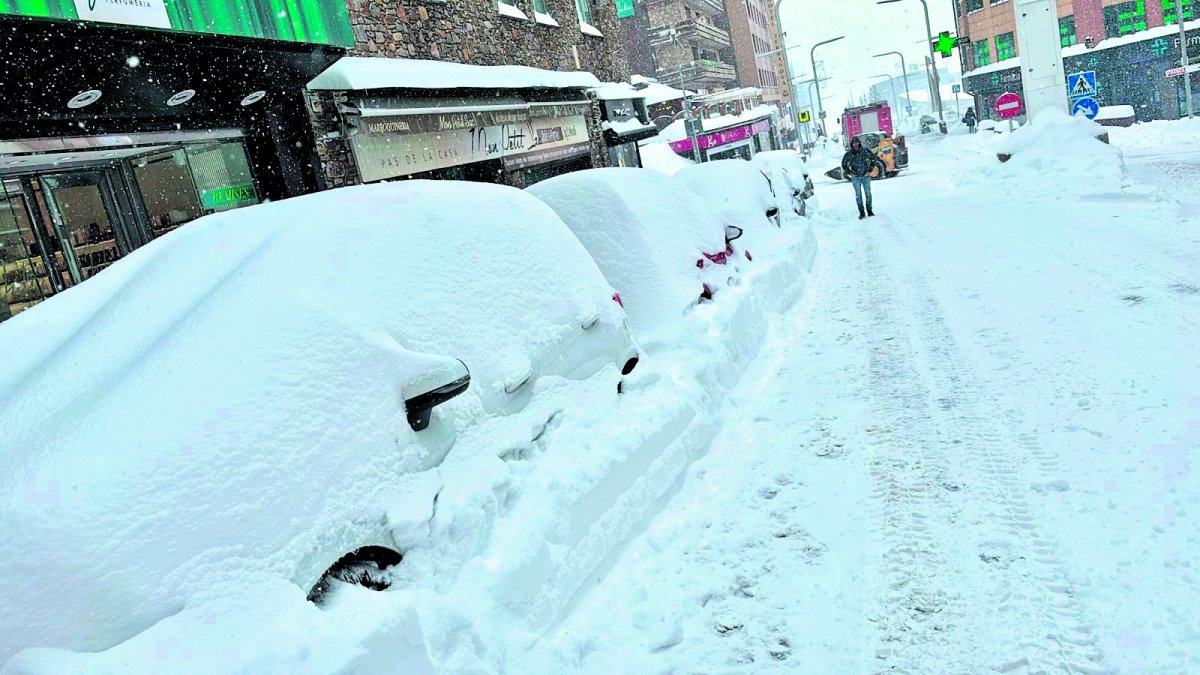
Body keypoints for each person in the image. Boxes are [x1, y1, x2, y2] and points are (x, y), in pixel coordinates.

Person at [841, 137, 886, 220]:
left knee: (868, 194)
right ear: (851, 144)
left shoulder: (865, 151)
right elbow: (844, 164)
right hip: (856, 178)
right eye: (853, 143)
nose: (855, 144)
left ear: (859, 143)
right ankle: (861, 212)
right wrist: (849, 172)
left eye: (856, 142)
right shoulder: (849, 154)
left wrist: (870, 169)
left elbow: (873, 158)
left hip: (866, 176)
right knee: (858, 196)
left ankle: (869, 210)